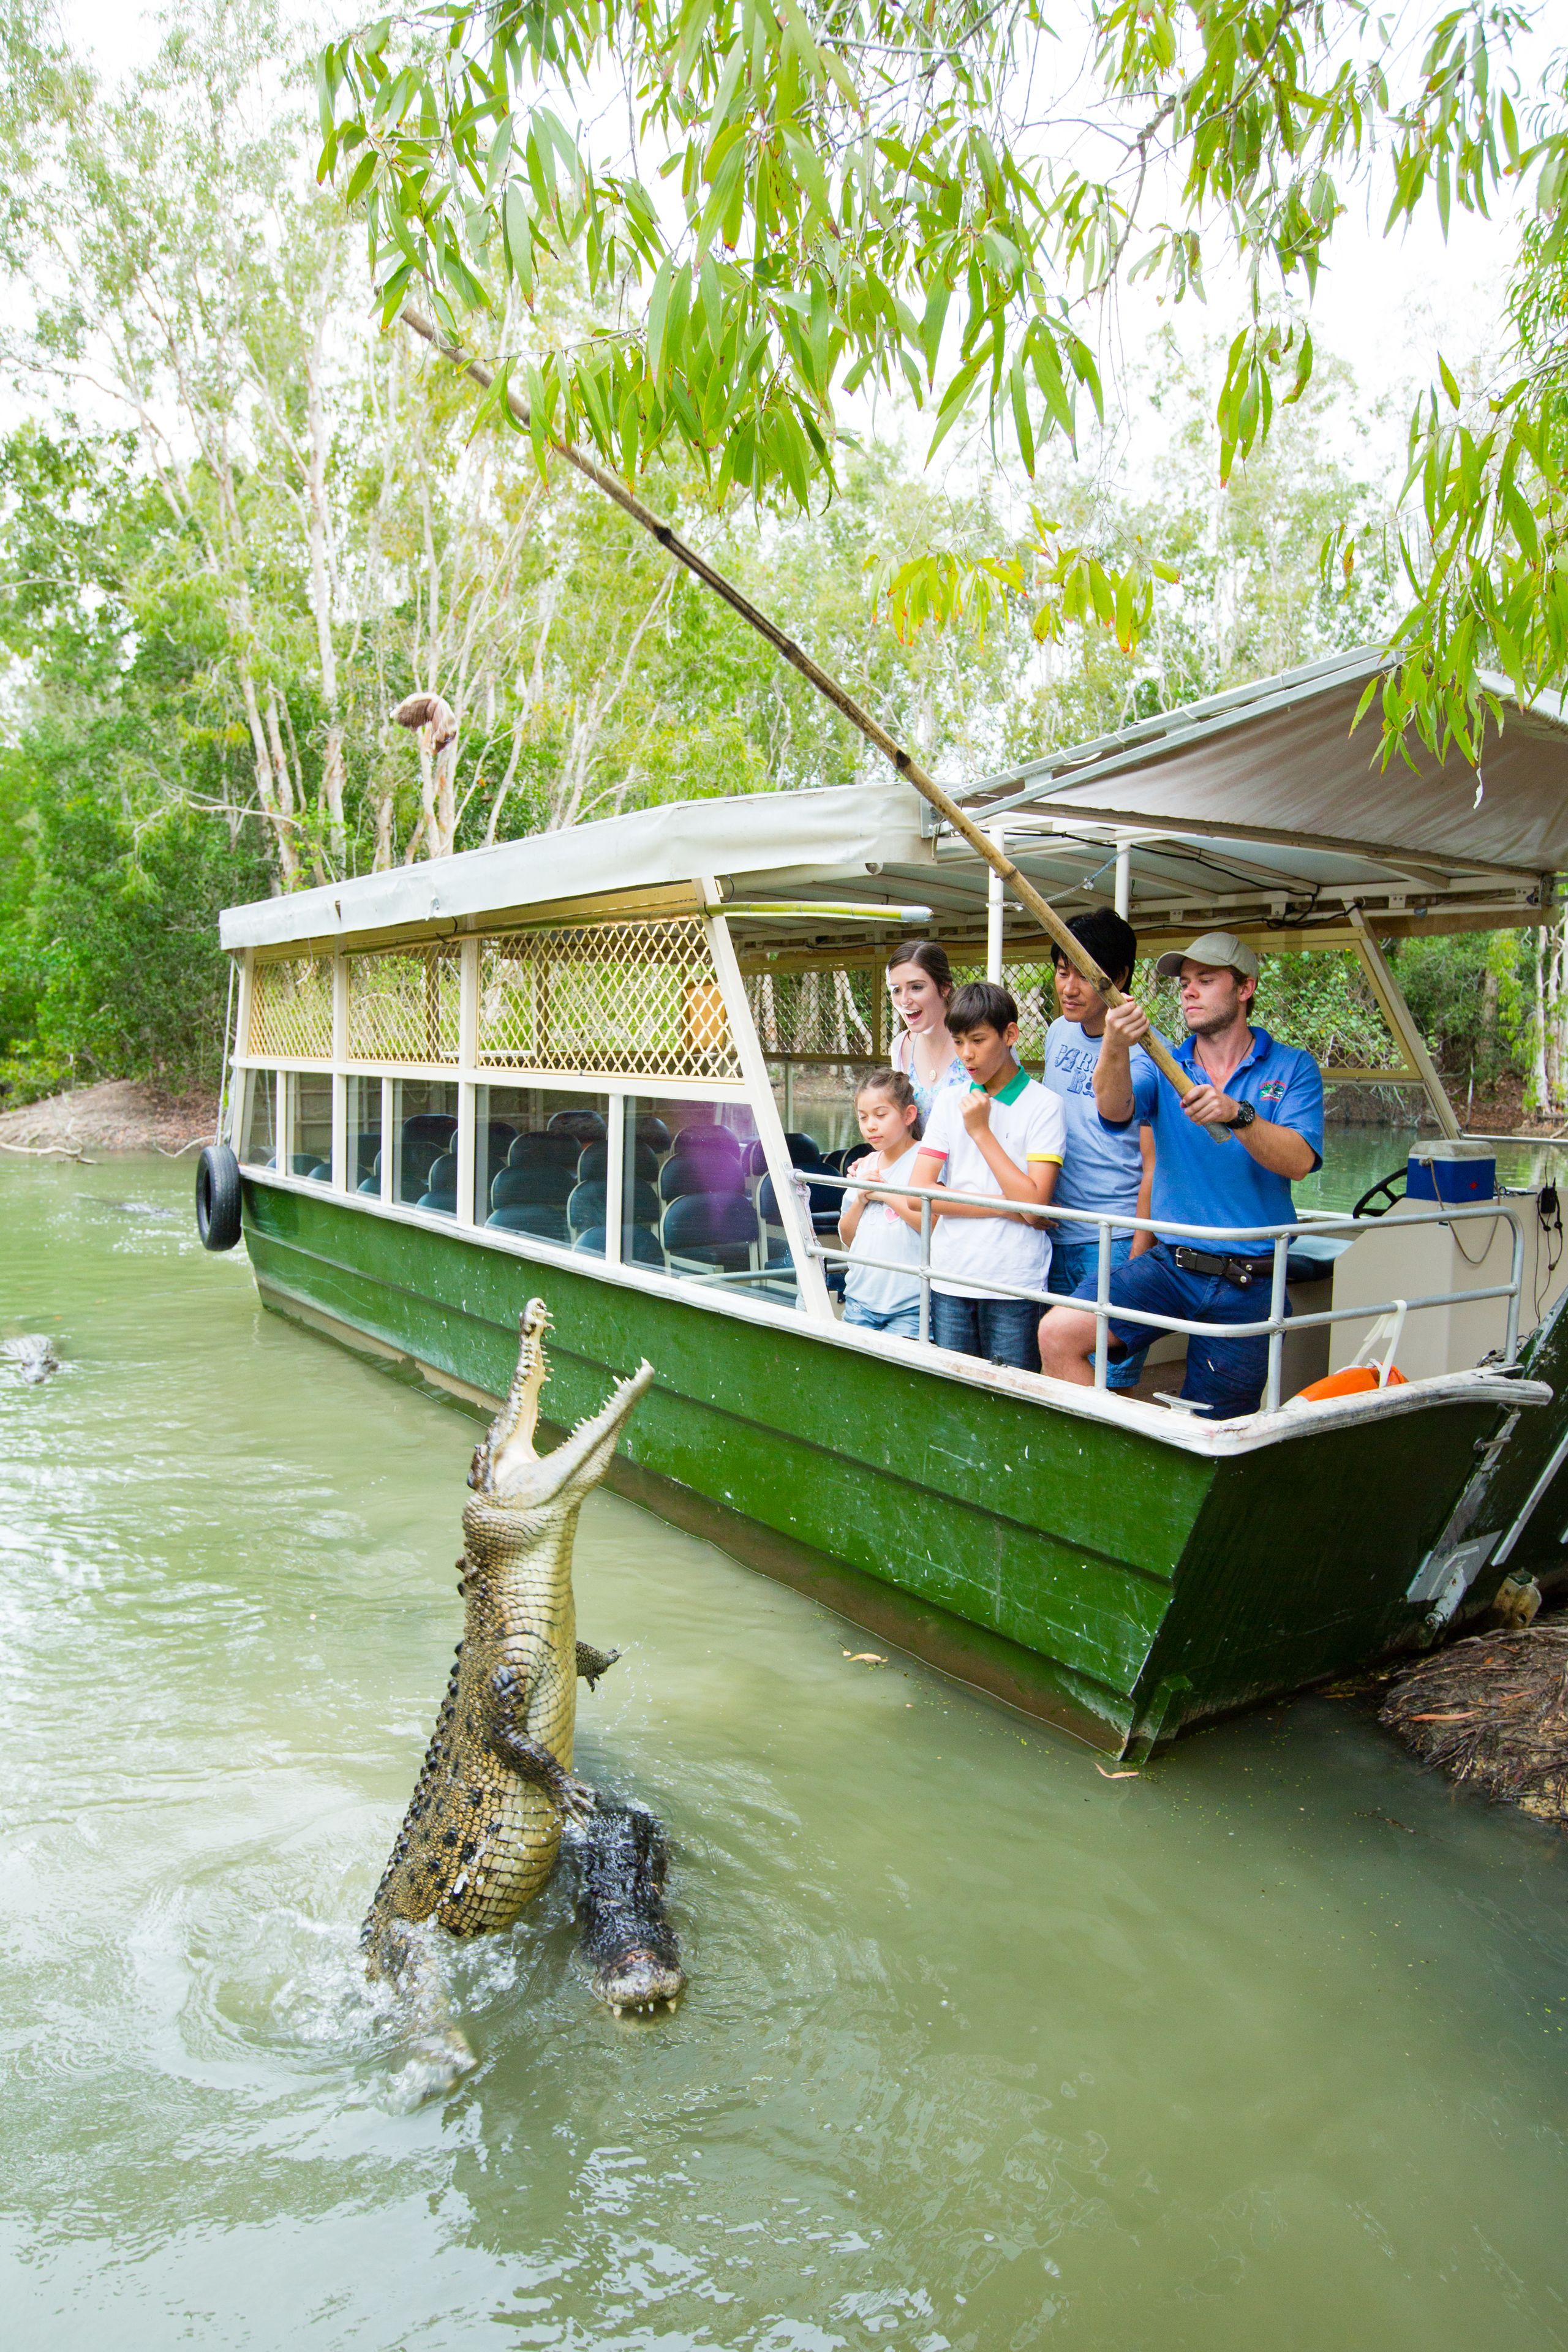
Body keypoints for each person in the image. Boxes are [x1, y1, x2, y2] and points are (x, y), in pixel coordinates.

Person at [1037, 931, 1324, 1419]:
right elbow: (1114, 1109)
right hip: (1172, 1265)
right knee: (1057, 1333)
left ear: (1245, 988)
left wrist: (1239, 1115)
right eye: (1184, 981)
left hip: (1250, 1281)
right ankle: (1113, 1460)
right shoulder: (1167, 1062)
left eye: (1205, 980)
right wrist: (1113, 1043)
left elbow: (1298, 1161)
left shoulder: (1293, 1067)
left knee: (1213, 1423)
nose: (1188, 991)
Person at [893, 980, 1064, 1372]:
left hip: (1014, 1281)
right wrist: (1008, 1208)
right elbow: (916, 1192)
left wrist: (981, 1131)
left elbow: (1036, 1203)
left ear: (1010, 1035)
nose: (967, 1055)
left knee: (1012, 1399)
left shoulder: (1044, 1105)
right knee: (954, 1396)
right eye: (958, 1042)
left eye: (978, 1040)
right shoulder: (952, 1101)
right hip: (949, 1275)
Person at [1041, 909, 1156, 1393]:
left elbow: (1156, 1165)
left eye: (1084, 977)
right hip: (1053, 1235)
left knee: (1109, 1382)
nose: (1068, 988)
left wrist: (1138, 1255)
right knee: (1056, 1371)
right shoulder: (1056, 1033)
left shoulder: (1148, 1054)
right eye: (1061, 972)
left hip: (1110, 1241)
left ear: (1120, 977)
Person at [836, 1070, 925, 1340]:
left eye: (880, 1115)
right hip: (860, 1300)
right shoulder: (865, 1166)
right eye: (863, 1118)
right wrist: (861, 1199)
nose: (870, 1126)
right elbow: (847, 1236)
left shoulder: (925, 1161)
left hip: (909, 1306)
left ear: (909, 1115)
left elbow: (934, 1227)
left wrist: (887, 1195)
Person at [886, 940, 966, 1121]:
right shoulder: (901, 1046)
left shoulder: (980, 1038)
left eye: (916, 987)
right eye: (896, 990)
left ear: (944, 987)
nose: (905, 1000)